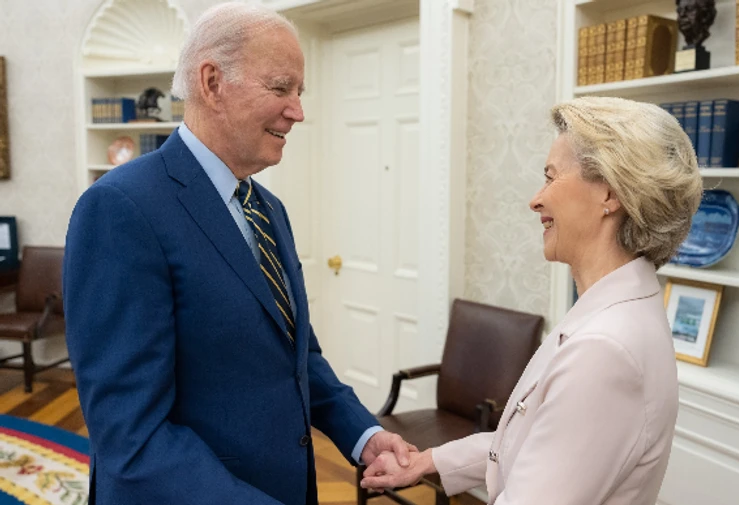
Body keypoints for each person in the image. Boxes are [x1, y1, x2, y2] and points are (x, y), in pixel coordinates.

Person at [63, 4, 413, 504]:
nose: (298, 110)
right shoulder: (120, 208)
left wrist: (362, 435)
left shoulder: (269, 209)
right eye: (280, 88)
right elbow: (130, 436)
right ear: (211, 82)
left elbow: (297, 358)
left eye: (300, 91)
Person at [360, 96, 703, 505]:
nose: (535, 199)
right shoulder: (611, 313)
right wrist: (429, 460)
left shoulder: (604, 351)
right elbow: (527, 443)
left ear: (609, 193)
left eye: (551, 177)